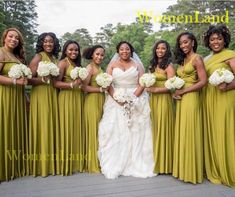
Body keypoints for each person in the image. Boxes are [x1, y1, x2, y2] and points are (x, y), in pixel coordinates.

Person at [98, 41, 156, 179]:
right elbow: (108, 83)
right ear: (118, 51)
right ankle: (116, 161)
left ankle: (137, 162)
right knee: (115, 130)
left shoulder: (137, 65)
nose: (125, 51)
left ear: (131, 51)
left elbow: (142, 82)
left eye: (127, 49)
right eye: (122, 49)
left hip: (135, 98)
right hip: (115, 99)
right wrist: (117, 99)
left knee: (136, 130)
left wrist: (132, 98)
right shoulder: (112, 65)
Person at [203, 25, 235, 187]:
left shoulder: (230, 55)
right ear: (208, 42)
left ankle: (229, 169)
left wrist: (227, 86)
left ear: (225, 40)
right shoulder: (206, 59)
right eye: (212, 39)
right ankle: (216, 167)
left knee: (225, 131)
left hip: (225, 98)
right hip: (209, 99)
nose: (216, 42)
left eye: (219, 39)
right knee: (214, 132)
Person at [172, 32, 207, 184]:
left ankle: (192, 171)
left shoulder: (197, 58)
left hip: (191, 98)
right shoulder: (182, 60)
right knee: (183, 131)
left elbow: (203, 81)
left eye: (186, 42)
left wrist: (184, 91)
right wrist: (175, 93)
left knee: (190, 131)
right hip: (181, 99)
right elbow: (179, 80)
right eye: (181, 43)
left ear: (192, 42)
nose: (183, 45)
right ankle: (182, 169)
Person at [28, 32, 61, 177]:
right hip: (41, 94)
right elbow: (29, 79)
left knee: (51, 125)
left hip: (52, 94)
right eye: (46, 41)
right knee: (43, 125)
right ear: (41, 43)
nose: (48, 44)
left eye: (51, 41)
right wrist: (43, 79)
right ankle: (40, 165)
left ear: (54, 44)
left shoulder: (54, 58)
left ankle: (50, 163)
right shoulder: (38, 56)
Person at [0, 28, 28, 181]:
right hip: (5, 95)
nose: (13, 39)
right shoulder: (1, 52)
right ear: (5, 37)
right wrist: (14, 81)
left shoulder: (17, 56)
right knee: (4, 128)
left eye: (17, 38)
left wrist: (25, 97)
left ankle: (14, 167)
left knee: (14, 127)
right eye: (11, 36)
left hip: (17, 96)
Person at [54, 40, 84, 175]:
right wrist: (71, 85)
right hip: (66, 97)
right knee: (67, 127)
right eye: (71, 49)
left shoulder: (77, 64)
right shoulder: (63, 63)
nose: (74, 52)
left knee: (76, 127)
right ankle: (66, 163)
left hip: (78, 98)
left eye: (76, 50)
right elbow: (55, 83)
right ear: (65, 50)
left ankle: (77, 162)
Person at [146, 40, 175, 174]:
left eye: (163, 48)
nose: (160, 51)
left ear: (167, 50)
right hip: (153, 101)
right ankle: (156, 160)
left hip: (163, 100)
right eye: (158, 48)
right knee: (155, 129)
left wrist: (156, 90)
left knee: (164, 128)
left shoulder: (168, 66)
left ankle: (166, 164)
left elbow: (172, 86)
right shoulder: (152, 65)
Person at [82, 45, 106, 173]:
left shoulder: (100, 69)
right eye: (97, 54)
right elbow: (84, 88)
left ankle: (100, 159)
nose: (99, 57)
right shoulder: (89, 68)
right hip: (91, 101)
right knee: (93, 130)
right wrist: (101, 89)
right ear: (92, 55)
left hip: (101, 101)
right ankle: (92, 163)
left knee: (100, 131)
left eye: (102, 55)